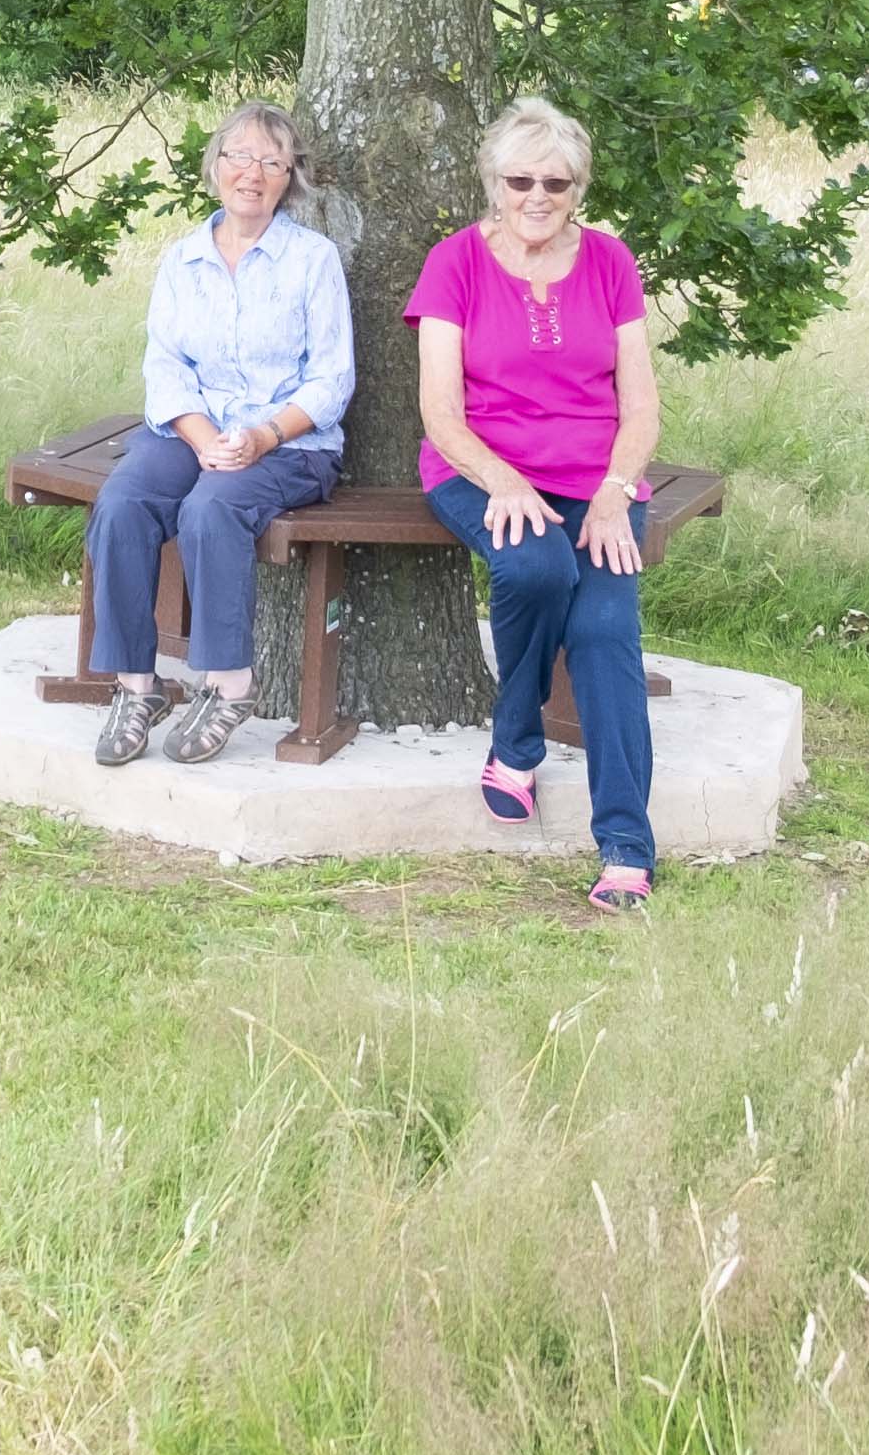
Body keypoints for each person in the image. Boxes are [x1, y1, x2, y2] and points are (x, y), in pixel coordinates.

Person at [410, 96, 663, 911]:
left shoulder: (611, 263)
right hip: (477, 470)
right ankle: (518, 736)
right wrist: (505, 480)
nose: (537, 196)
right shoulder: (454, 262)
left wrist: (615, 494)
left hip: (599, 481)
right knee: (537, 569)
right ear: (494, 181)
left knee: (603, 630)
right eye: (520, 179)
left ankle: (625, 841)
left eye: (556, 182)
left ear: (578, 187)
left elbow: (642, 405)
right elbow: (441, 413)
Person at [88, 104, 353, 767]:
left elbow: (331, 380)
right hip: (190, 431)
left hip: (292, 445)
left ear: (289, 177)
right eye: (239, 157)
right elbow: (165, 363)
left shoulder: (312, 260)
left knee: (212, 508)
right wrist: (202, 435)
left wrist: (262, 437)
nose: (252, 173)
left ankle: (230, 686)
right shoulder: (183, 260)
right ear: (215, 169)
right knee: (122, 504)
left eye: (271, 161)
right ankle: (136, 687)